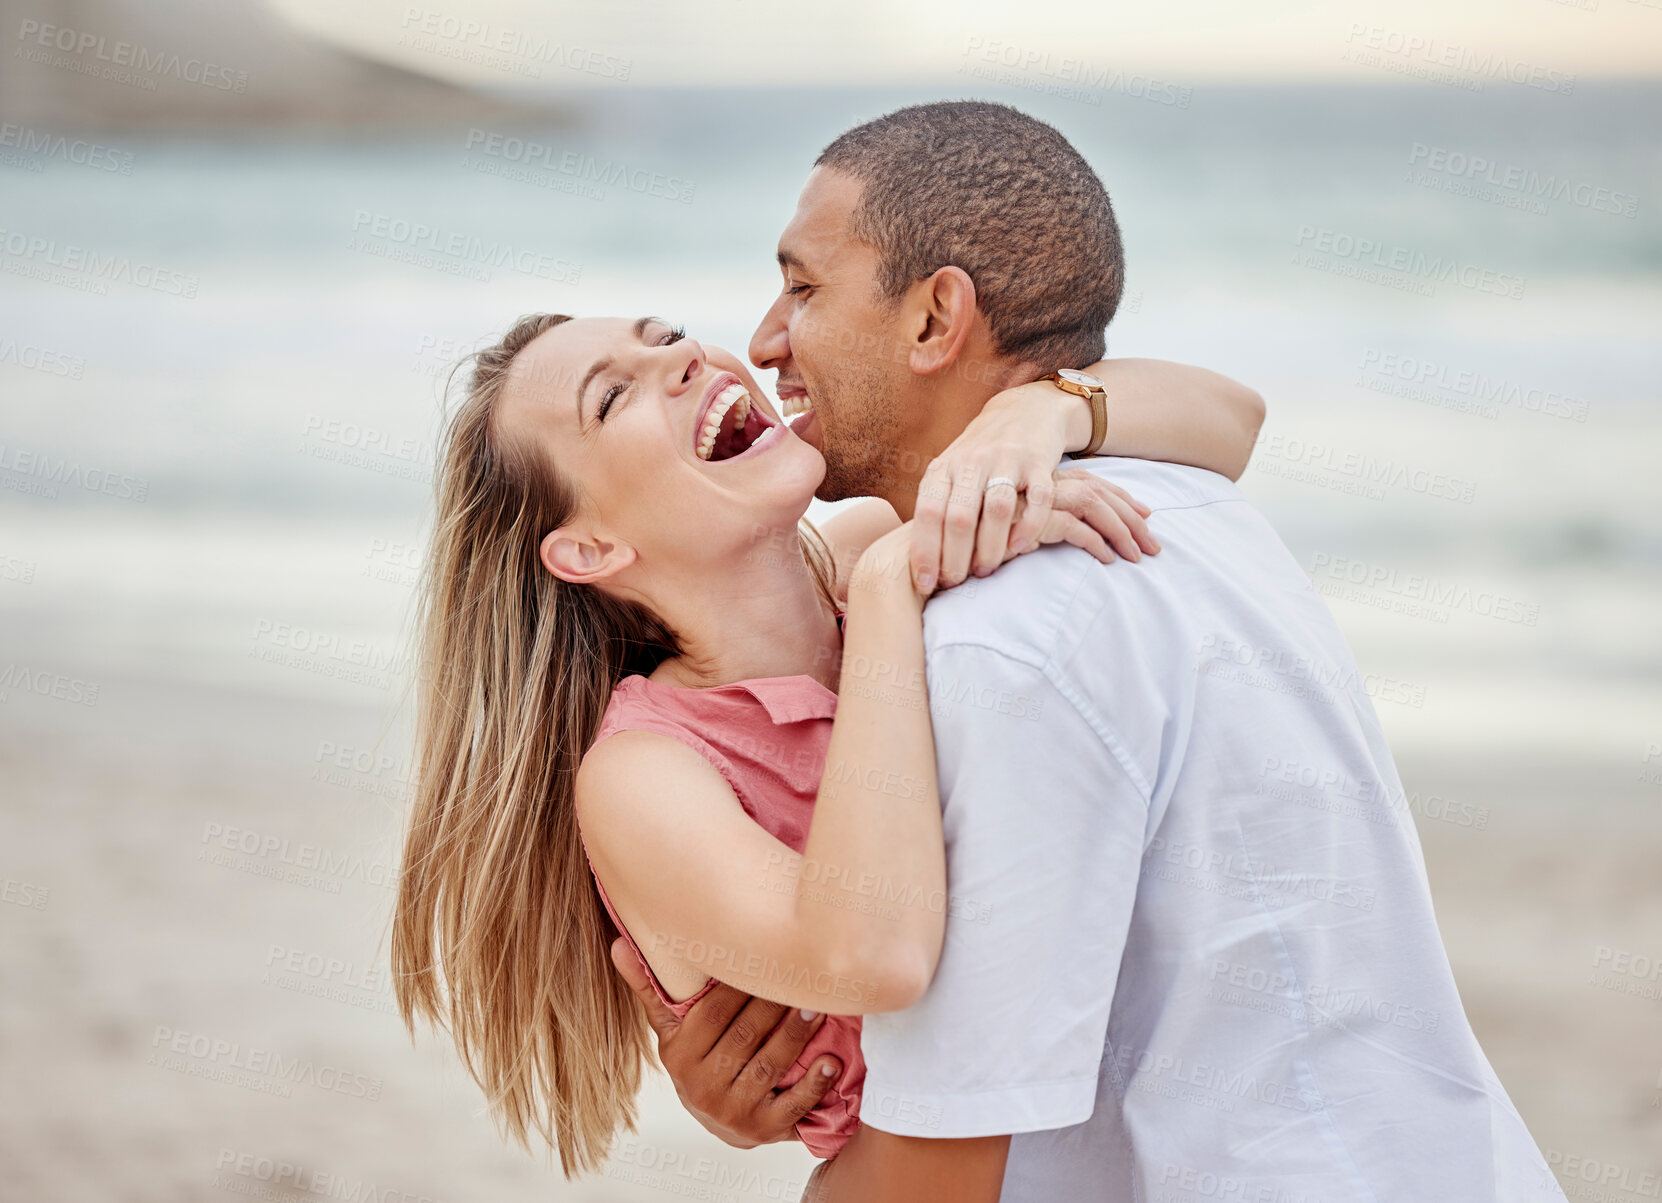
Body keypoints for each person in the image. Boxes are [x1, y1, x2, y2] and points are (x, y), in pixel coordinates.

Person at [639, 101, 1568, 1202]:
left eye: (805, 287)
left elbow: (936, 1174)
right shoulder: (1193, 503)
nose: (764, 340)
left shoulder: (994, 645)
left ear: (937, 318)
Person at [389, 305, 1264, 1174]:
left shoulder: (876, 538)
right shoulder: (644, 772)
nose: (685, 358)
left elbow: (1232, 421)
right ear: (589, 548)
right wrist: (888, 590)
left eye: (664, 336)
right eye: (613, 397)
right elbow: (872, 957)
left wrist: (1044, 411)